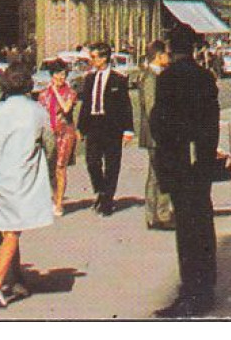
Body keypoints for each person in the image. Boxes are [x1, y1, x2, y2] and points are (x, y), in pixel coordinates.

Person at [149, 24, 222, 318]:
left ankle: (191, 290)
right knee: (203, 222)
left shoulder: (167, 79)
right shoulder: (206, 77)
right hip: (200, 163)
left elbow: (159, 121)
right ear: (193, 48)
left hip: (178, 162)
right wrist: (205, 156)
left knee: (186, 229)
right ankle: (206, 286)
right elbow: (212, 122)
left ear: (170, 49)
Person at [0, 64, 55, 308]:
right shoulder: (37, 112)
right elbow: (50, 144)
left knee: (10, 229)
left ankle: (17, 278)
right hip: (24, 177)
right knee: (12, 232)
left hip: (0, 178)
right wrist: (49, 169)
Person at [76, 41, 133, 215]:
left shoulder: (118, 79)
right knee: (92, 161)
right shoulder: (89, 79)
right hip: (94, 124)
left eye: (93, 57)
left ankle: (107, 200)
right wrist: (81, 127)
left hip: (112, 126)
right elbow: (85, 104)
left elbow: (126, 105)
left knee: (112, 163)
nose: (91, 61)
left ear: (104, 57)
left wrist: (128, 130)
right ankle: (101, 189)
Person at [132, 40, 175, 230]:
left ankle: (154, 215)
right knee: (162, 174)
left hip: (157, 133)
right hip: (157, 134)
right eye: (166, 54)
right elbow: (152, 110)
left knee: (156, 174)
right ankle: (161, 215)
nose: (169, 57)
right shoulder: (150, 78)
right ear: (158, 56)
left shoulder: (156, 75)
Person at [37, 62, 78, 216]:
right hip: (49, 134)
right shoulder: (43, 94)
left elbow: (66, 109)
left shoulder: (70, 93)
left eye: (63, 74)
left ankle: (59, 203)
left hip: (65, 133)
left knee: (60, 167)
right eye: (58, 74)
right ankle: (54, 197)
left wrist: (56, 91)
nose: (61, 77)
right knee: (49, 168)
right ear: (51, 75)